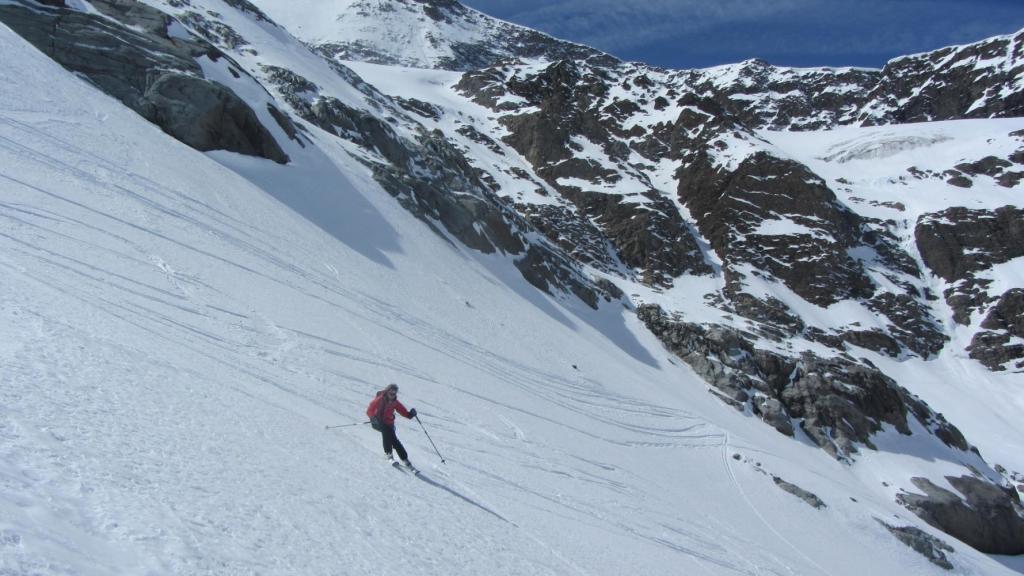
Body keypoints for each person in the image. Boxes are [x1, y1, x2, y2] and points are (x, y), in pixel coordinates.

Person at [366, 383, 417, 467]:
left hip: (389, 423)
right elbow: (369, 410)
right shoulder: (380, 399)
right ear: (387, 392)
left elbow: (403, 411)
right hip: (378, 422)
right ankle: (388, 454)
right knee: (387, 433)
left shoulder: (395, 402)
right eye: (391, 393)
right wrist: (373, 418)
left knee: (393, 439)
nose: (392, 395)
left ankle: (404, 458)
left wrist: (410, 414)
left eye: (394, 394)